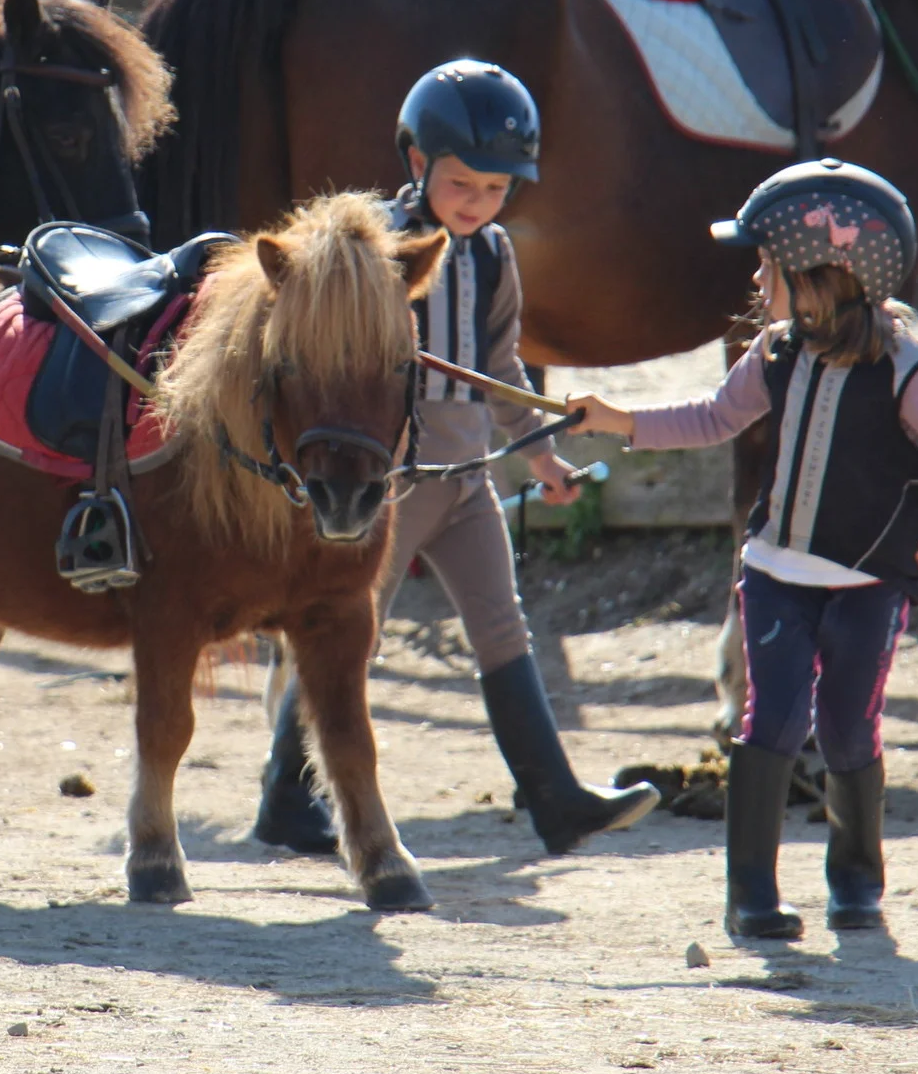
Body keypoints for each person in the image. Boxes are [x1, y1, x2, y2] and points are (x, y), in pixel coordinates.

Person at [569, 159, 918, 940]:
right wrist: (615, 418)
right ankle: (750, 895)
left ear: (827, 274)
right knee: (770, 724)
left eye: (770, 265)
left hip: (868, 584)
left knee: (848, 727)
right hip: (773, 575)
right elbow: (710, 417)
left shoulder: (909, 370)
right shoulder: (773, 352)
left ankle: (856, 883)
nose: (758, 280)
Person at [252, 60, 661, 858]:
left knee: (503, 626)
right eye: (461, 183)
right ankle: (286, 793)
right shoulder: (378, 250)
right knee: (348, 635)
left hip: (467, 475)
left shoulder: (494, 255)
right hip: (394, 480)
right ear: (417, 164)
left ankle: (556, 800)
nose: (477, 203)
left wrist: (539, 456)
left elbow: (503, 366)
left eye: (496, 188)